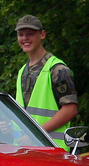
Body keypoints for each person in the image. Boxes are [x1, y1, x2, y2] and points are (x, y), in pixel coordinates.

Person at [14, 15, 78, 150]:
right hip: (26, 150)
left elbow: (70, 109)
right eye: (21, 34)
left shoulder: (57, 69)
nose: (25, 38)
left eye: (30, 34)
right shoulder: (22, 72)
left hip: (52, 150)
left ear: (42, 35)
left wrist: (36, 134)